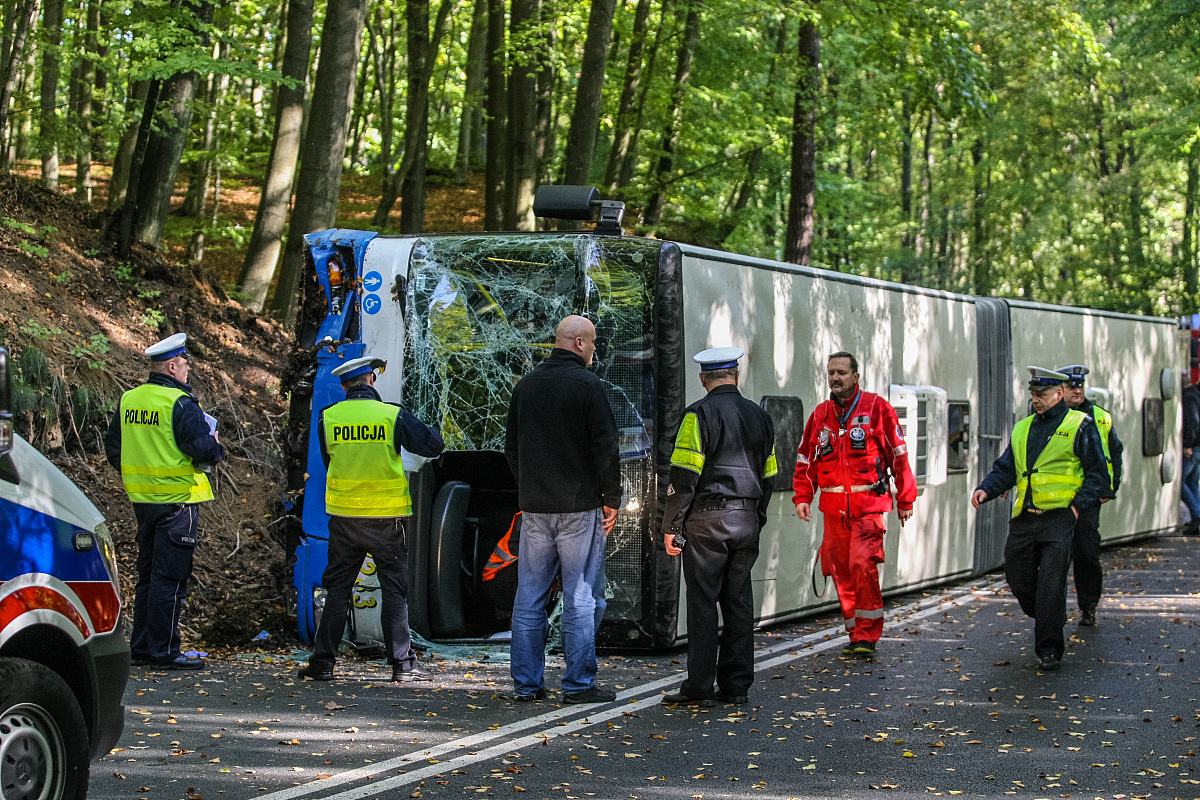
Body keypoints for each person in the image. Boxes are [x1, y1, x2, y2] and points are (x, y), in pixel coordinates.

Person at [298, 355, 445, 683]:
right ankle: (402, 666)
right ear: (370, 381)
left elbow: (327, 460)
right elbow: (434, 445)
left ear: (344, 385)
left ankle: (323, 663)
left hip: (345, 519)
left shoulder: (329, 418)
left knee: (338, 589)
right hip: (386, 520)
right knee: (394, 589)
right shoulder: (391, 415)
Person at [504, 315, 622, 704]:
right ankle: (577, 685)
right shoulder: (588, 386)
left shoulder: (526, 385)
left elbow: (512, 449)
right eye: (590, 344)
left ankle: (526, 685)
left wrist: (531, 489)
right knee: (581, 595)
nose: (593, 352)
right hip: (579, 508)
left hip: (536, 509)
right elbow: (605, 447)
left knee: (529, 596)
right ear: (577, 343)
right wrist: (611, 499)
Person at [661, 347, 777, 708]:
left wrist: (671, 524)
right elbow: (770, 475)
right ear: (736, 375)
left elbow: (684, 476)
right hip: (747, 520)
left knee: (703, 603)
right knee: (739, 602)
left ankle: (698, 685)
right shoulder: (761, 416)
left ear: (703, 379)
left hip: (708, 522)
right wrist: (757, 514)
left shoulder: (698, 415)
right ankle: (737, 686)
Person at [971, 367, 1109, 671]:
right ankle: (1051, 616)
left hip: (1060, 518)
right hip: (1025, 518)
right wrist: (986, 489)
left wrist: (1076, 508)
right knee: (1018, 578)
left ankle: (1049, 649)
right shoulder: (1022, 428)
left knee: (1051, 583)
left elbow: (1098, 473)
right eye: (1033, 394)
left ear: (1058, 394)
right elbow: (1006, 468)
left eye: (1042, 394)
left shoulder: (1080, 425)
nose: (1036, 400)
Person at [105, 332, 224, 670]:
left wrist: (140, 477)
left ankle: (142, 648)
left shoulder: (130, 400)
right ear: (172, 366)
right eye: (185, 364)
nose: (188, 370)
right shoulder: (181, 404)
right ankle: (163, 651)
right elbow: (202, 449)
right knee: (169, 579)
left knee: (148, 576)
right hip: (178, 502)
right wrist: (216, 445)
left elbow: (114, 447)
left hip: (142, 501)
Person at [792, 351, 916, 658]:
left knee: (862, 565)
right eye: (831, 372)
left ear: (855, 377)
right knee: (840, 571)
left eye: (842, 373)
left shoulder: (877, 408)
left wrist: (905, 498)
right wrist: (803, 496)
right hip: (834, 512)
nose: (835, 378)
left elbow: (899, 455)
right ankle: (854, 633)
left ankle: (867, 634)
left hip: (868, 507)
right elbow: (806, 459)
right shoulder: (821, 415)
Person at [1056, 365, 1124, 626]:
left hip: (1089, 497)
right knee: (1056, 557)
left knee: (1086, 554)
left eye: (1080, 385)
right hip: (1057, 498)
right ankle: (1054, 610)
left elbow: (1114, 453)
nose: (1078, 390)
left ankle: (1088, 606)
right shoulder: (1053, 416)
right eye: (1072, 386)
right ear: (1061, 390)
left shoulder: (1101, 417)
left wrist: (1112, 487)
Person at [1182, 376, 1200, 533]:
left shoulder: (1189, 396)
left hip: (1194, 446)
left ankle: (1196, 516)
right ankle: (1197, 516)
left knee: (1179, 482)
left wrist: (1188, 444)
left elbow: (1193, 421)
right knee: (1193, 482)